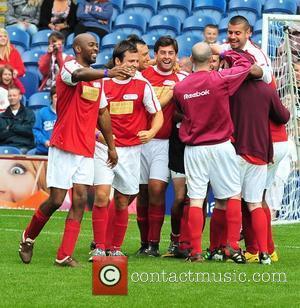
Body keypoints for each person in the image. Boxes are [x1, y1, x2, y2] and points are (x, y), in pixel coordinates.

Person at [18, 33, 132, 267]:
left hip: (85, 148)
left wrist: (111, 146)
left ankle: (64, 255)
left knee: (80, 200)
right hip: (63, 145)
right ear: (78, 48)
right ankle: (28, 237)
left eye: (97, 45)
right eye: (90, 45)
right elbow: (79, 75)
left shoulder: (97, 80)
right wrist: (109, 72)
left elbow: (103, 113)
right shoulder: (69, 67)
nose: (95, 48)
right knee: (57, 200)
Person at [173, 42, 252, 262]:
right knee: (233, 194)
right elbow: (246, 63)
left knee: (196, 199)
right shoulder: (220, 79)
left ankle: (196, 251)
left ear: (191, 59)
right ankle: (233, 246)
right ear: (211, 59)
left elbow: (181, 111)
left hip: (195, 148)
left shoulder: (180, 88)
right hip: (220, 145)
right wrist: (224, 51)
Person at [89, 40, 163, 259]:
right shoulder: (101, 84)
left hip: (131, 151)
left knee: (123, 200)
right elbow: (90, 115)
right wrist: (97, 134)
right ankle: (99, 247)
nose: (134, 65)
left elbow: (158, 113)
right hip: (104, 149)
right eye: (130, 61)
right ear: (117, 61)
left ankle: (115, 247)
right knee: (102, 196)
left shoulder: (142, 85)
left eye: (136, 61)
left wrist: (151, 132)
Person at [137, 36, 187, 257]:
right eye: (163, 53)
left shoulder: (183, 79)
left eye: (171, 53)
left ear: (176, 55)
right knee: (141, 193)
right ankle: (144, 243)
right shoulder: (142, 76)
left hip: (164, 143)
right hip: (139, 142)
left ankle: (154, 244)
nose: (167, 57)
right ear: (155, 54)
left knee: (156, 189)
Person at [0, 86, 35, 153]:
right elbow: (1, 135)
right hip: (5, 146)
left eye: (14, 95)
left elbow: (30, 131)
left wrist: (11, 127)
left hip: (23, 147)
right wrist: (20, 128)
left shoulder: (29, 113)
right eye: (9, 96)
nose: (12, 98)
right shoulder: (2, 116)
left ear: (20, 97)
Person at [33, 86, 57, 155]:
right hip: (43, 151)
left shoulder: (66, 113)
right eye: (56, 97)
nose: (59, 99)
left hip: (60, 152)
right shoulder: (42, 112)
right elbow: (36, 130)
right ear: (51, 98)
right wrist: (44, 141)